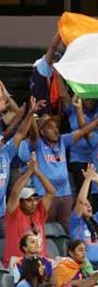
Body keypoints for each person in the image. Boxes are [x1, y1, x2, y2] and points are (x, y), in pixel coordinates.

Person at [18, 99, 98, 231]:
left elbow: (83, 131)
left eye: (56, 127)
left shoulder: (63, 140)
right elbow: (34, 134)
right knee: (40, 231)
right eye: (50, 127)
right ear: (42, 132)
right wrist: (32, 113)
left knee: (71, 232)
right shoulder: (37, 143)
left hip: (65, 196)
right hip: (45, 196)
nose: (56, 130)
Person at [3, 154, 56, 266]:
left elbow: (51, 192)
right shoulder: (14, 214)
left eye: (35, 199)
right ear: (20, 202)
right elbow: (15, 192)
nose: (34, 203)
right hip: (18, 264)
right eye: (29, 200)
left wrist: (36, 171)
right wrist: (29, 171)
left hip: (41, 263)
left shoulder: (38, 213)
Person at [0, 96, 40, 239]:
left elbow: (21, 133)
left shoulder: (6, 153)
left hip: (1, 214)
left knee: (5, 248)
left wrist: (30, 114)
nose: (1, 142)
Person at [69, 163, 98, 267]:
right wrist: (87, 179)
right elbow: (80, 201)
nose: (89, 207)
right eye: (86, 205)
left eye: (90, 205)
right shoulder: (75, 222)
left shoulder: (97, 220)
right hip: (84, 266)